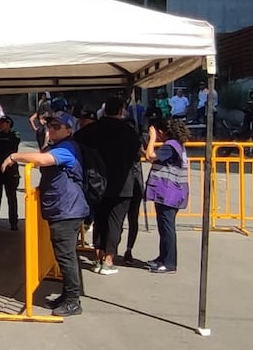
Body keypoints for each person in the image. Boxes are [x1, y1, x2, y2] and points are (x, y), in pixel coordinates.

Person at [1, 112, 90, 317]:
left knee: (66, 256)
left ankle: (72, 301)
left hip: (67, 210)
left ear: (69, 130)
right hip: (62, 208)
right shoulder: (59, 145)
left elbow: (44, 159)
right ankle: (67, 295)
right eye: (50, 126)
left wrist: (15, 156)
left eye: (57, 126)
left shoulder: (67, 148)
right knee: (63, 255)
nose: (51, 129)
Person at [74, 96, 141, 275]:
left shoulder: (91, 130)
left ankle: (98, 256)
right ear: (121, 111)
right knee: (115, 222)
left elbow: (77, 142)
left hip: (96, 182)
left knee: (100, 219)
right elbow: (137, 152)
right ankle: (108, 260)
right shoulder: (129, 132)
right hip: (122, 184)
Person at [143, 117, 190, 275]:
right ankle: (162, 258)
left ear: (161, 132)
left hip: (169, 192)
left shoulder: (170, 146)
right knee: (163, 227)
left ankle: (169, 263)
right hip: (170, 191)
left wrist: (152, 138)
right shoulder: (176, 145)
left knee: (167, 228)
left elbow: (150, 156)